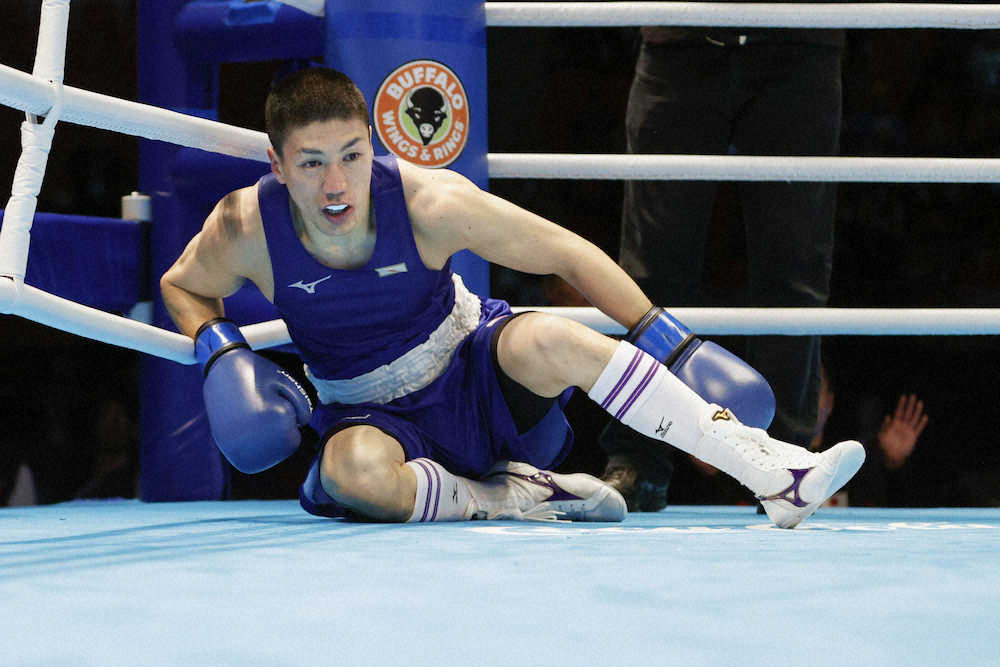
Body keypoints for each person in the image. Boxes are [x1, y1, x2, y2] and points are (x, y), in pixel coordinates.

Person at [159, 67, 863, 528]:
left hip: (475, 372)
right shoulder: (245, 227)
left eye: (350, 155)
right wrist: (220, 351)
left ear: (370, 144)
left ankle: (772, 470)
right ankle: (510, 495)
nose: (336, 184)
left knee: (554, 337)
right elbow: (183, 284)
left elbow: (566, 252)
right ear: (278, 165)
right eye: (312, 163)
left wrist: (669, 340)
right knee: (353, 477)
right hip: (367, 411)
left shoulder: (428, 203)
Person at [600, 17, 847, 511]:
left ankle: (788, 467)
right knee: (651, 270)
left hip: (797, 42)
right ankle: (639, 461)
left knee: (793, 269)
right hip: (681, 40)